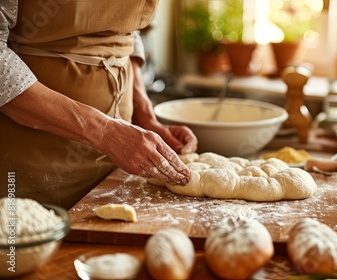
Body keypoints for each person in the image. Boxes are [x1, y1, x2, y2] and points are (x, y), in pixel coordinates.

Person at [0, 0, 198, 209]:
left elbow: (125, 30)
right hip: (36, 157)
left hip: (119, 152)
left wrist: (144, 114)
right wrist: (104, 132)